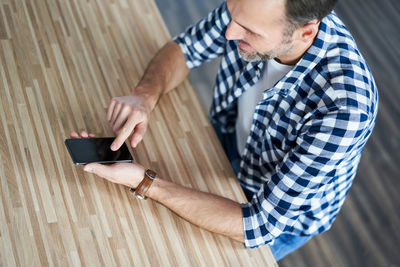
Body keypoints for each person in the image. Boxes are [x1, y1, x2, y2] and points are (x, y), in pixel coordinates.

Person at [71, 0, 378, 261]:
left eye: (249, 32)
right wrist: (145, 95)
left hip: (275, 212)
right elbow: (185, 48)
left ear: (306, 32)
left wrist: (144, 181)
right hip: (230, 145)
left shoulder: (345, 108)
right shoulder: (250, 10)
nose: (230, 33)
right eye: (232, 14)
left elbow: (259, 224)